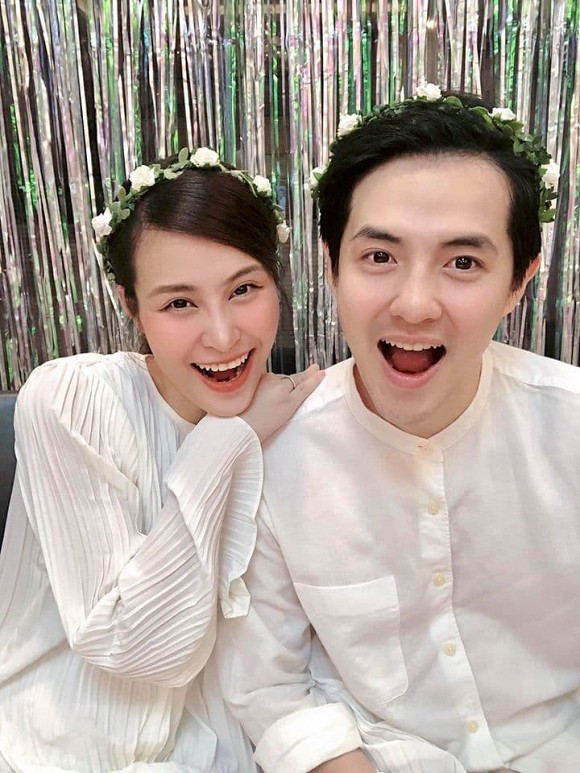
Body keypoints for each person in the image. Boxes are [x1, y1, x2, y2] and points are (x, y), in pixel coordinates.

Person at [218, 90, 580, 772]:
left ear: (519, 281)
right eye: (380, 257)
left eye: (463, 263)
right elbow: (268, 686)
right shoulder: (273, 456)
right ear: (331, 265)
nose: (414, 305)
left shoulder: (570, 426)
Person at [0, 148, 323, 771]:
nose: (223, 336)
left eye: (244, 290)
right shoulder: (72, 400)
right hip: (55, 744)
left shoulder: (296, 415)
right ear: (131, 306)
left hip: (220, 747)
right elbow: (135, 646)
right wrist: (229, 439)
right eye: (179, 303)